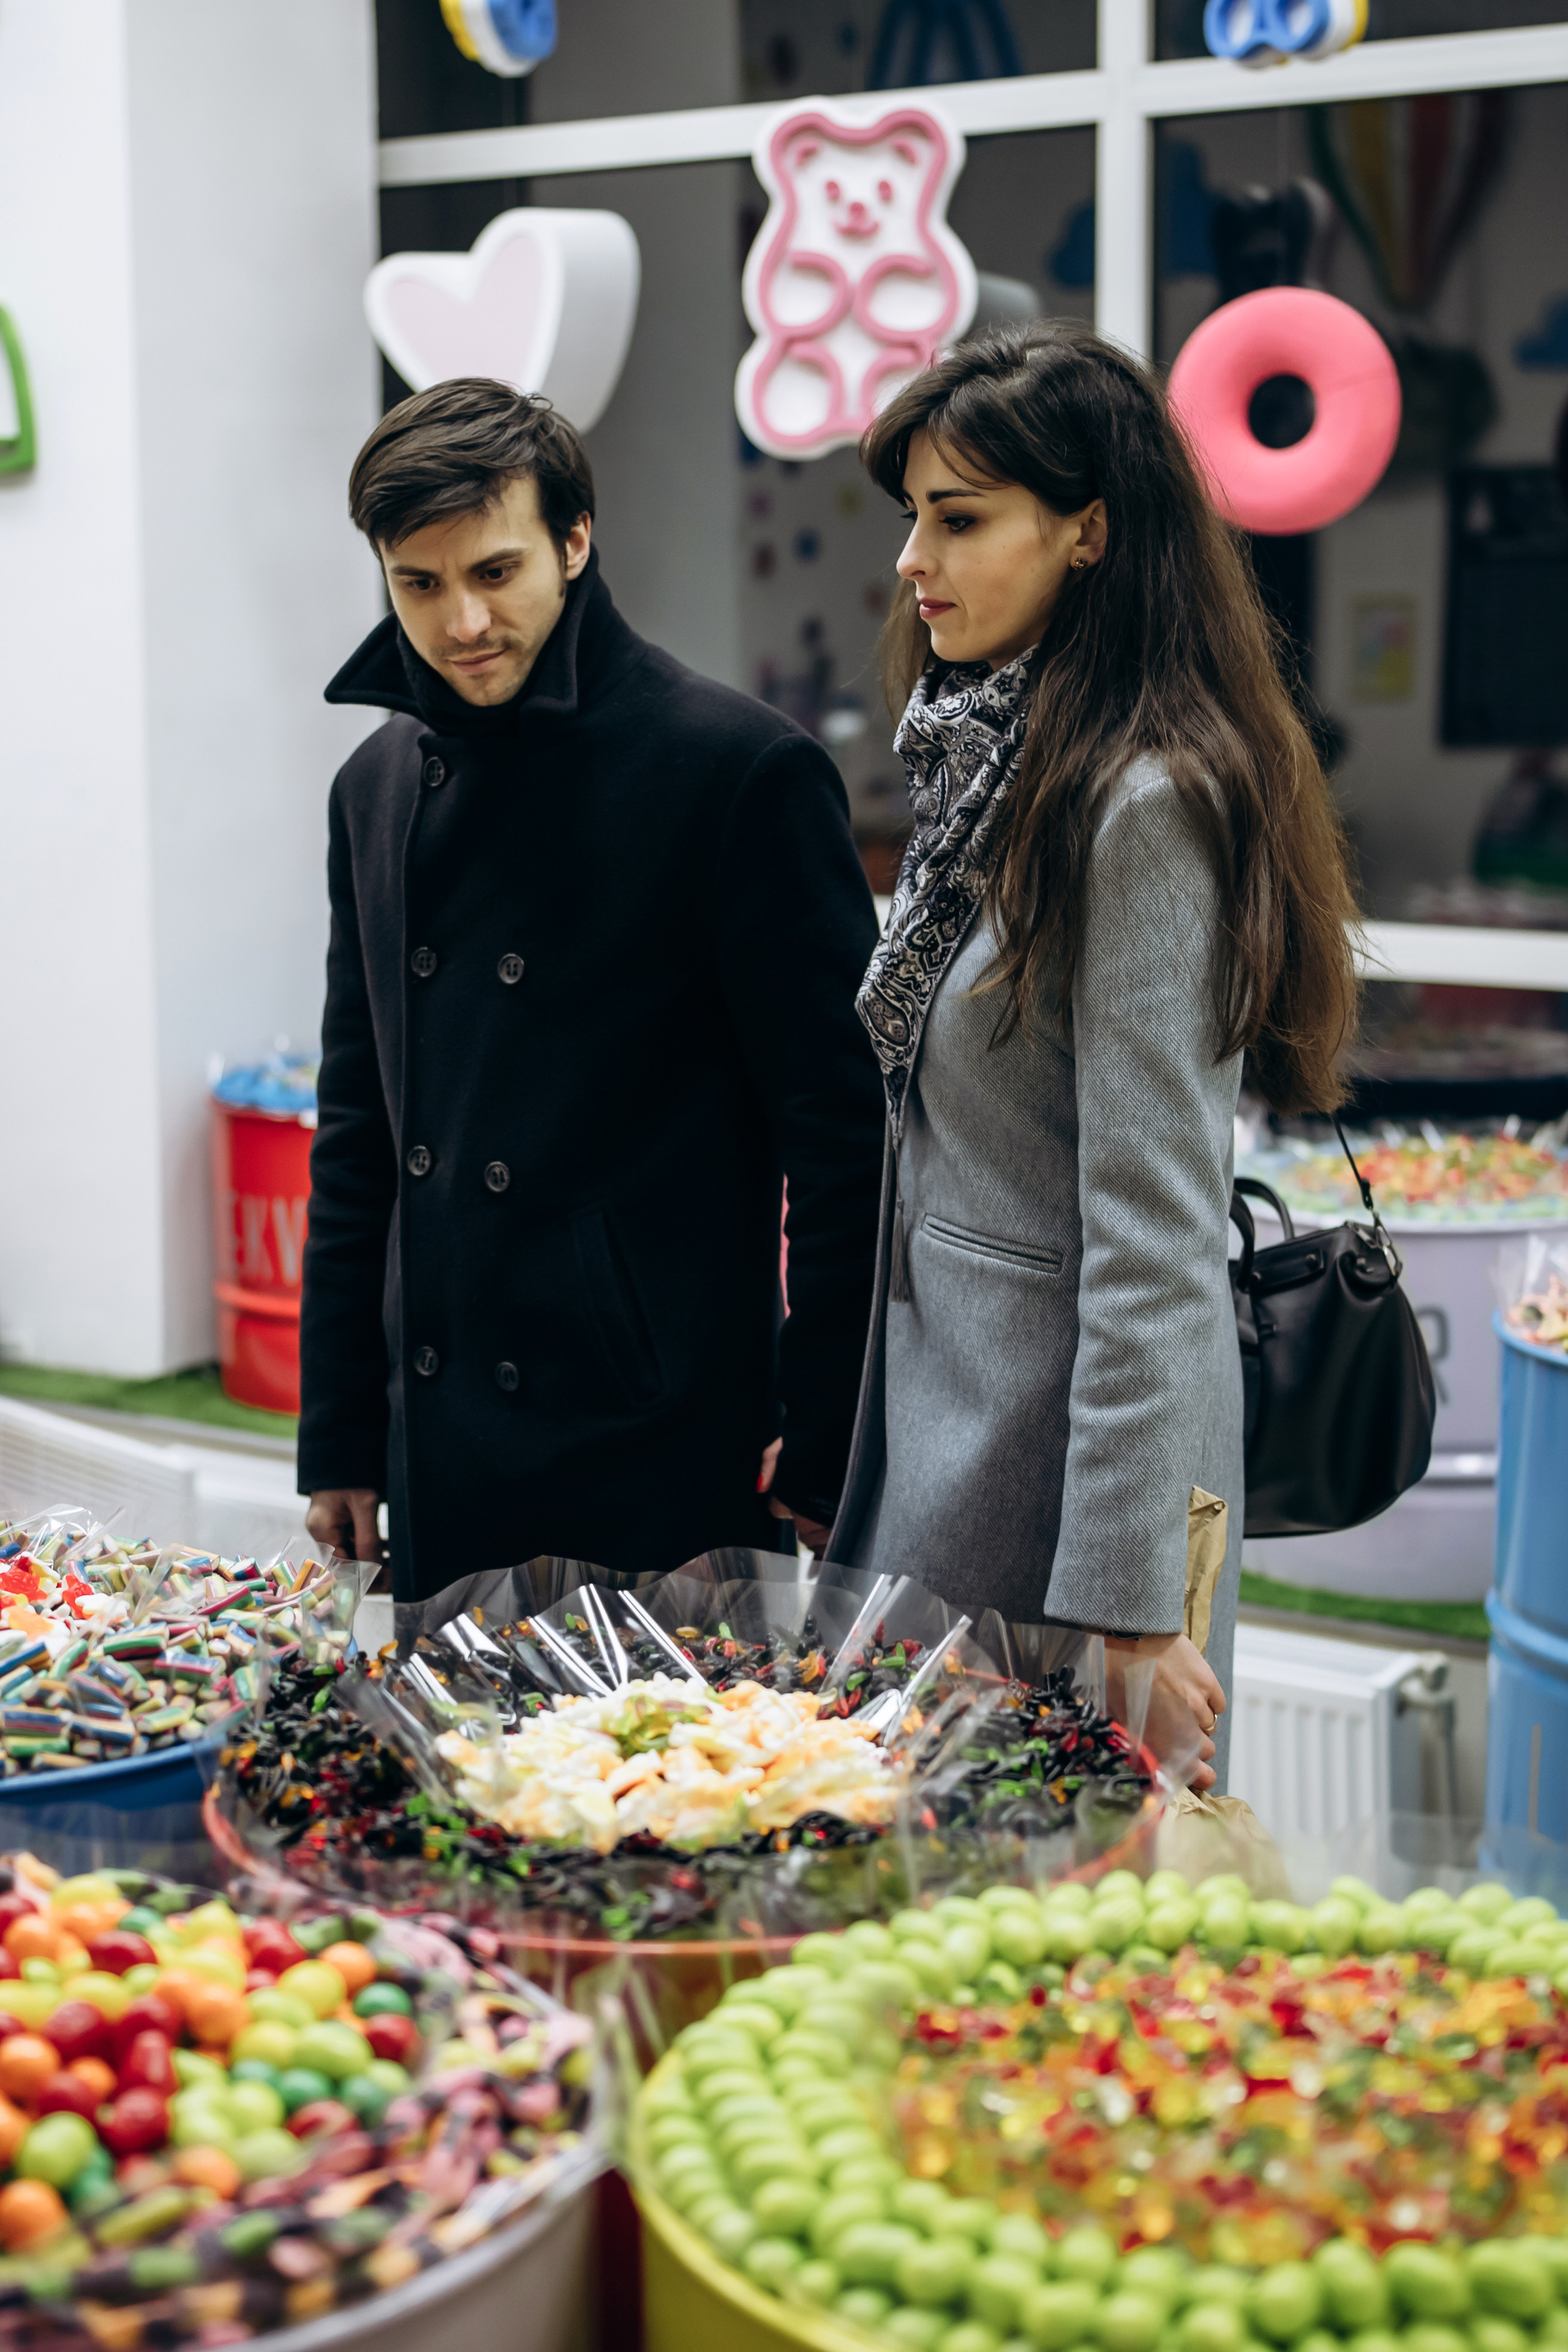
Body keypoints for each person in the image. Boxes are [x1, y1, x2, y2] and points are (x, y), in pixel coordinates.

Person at [829, 324, 1359, 1790]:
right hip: (942, 1428)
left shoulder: (1143, 804)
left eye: (959, 518)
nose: (911, 561)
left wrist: (1131, 1602)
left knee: (1046, 1940)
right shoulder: (981, 760)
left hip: (1058, 1487)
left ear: (1087, 532)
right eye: (911, 518)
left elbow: (1155, 1232)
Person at [298, 377, 885, 1599]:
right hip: (444, 1442)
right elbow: (360, 1134)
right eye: (419, 584)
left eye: (496, 572)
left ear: (574, 541)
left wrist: (827, 1435)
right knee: (447, 1786)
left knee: (667, 1787)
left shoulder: (738, 773)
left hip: (655, 1440)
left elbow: (842, 1144)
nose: (461, 621)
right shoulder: (375, 788)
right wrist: (342, 1436)